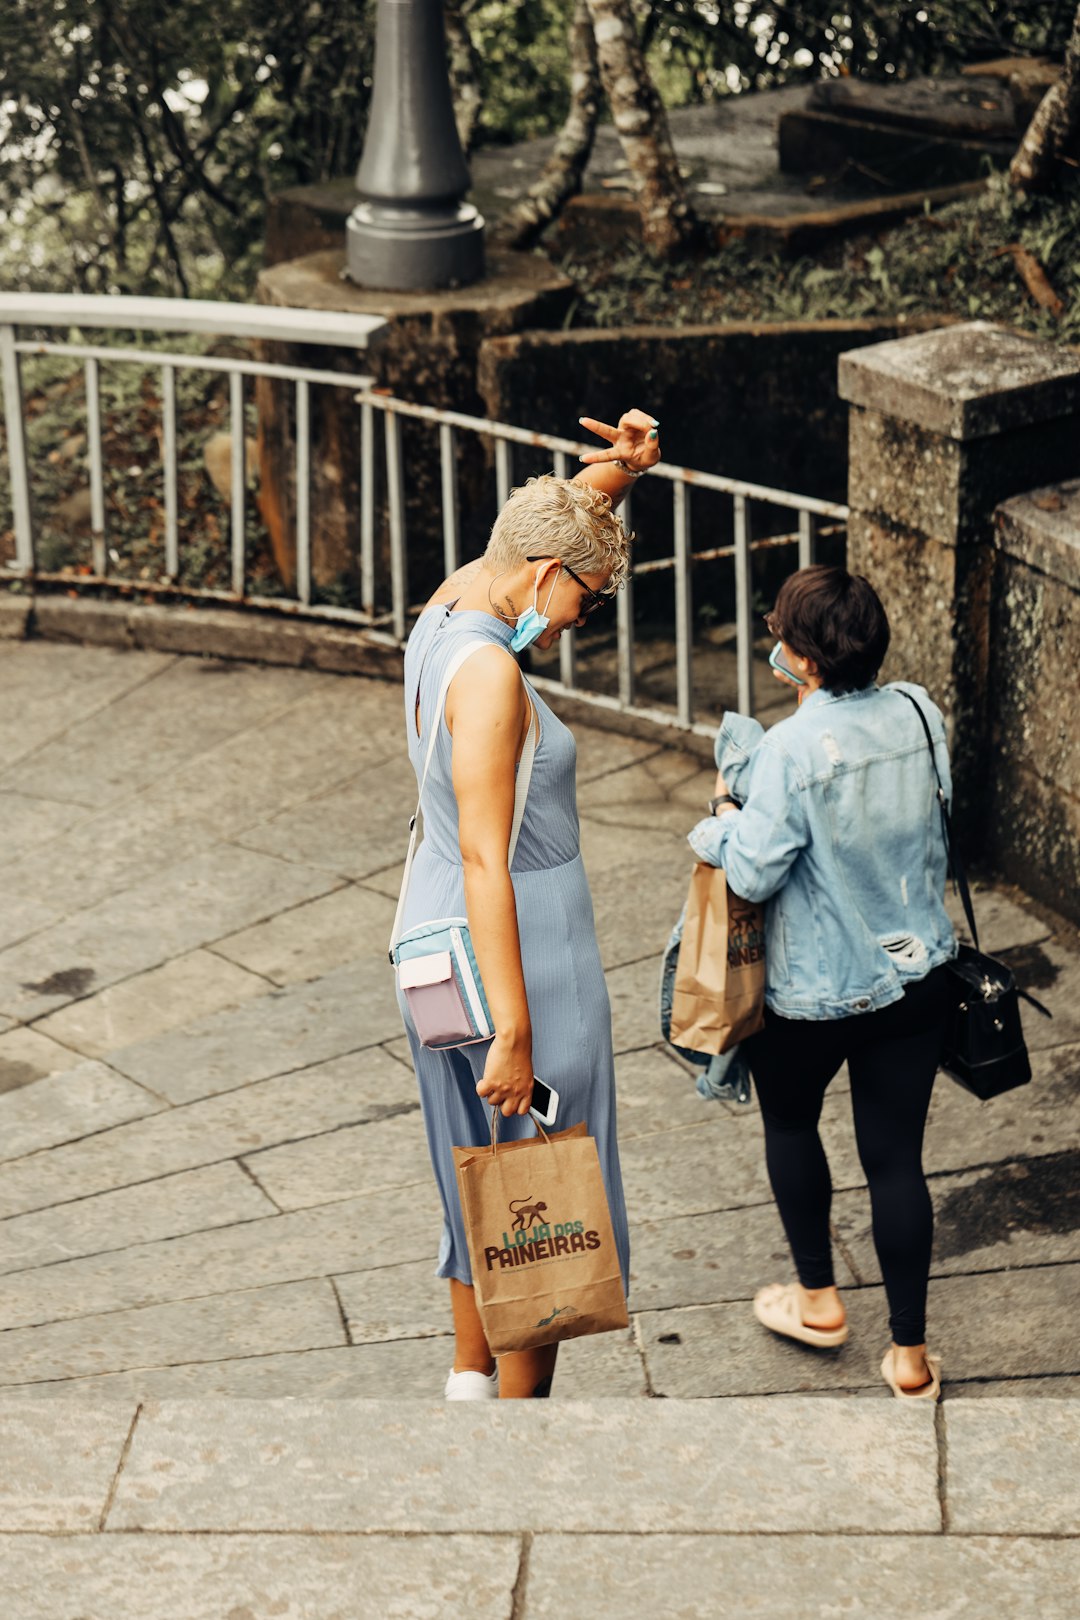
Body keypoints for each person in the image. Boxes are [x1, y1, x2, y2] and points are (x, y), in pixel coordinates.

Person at [397, 408, 660, 1400]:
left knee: (477, 1162)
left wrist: (617, 475)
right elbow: (484, 857)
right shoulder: (497, 679)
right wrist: (516, 1027)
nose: (579, 619)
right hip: (519, 955)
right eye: (585, 604)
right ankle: (517, 1432)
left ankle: (468, 1380)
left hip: (431, 953)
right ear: (545, 577)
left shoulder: (452, 606)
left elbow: (554, 529)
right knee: (540, 1201)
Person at [686, 565, 956, 1400]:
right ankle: (910, 1360)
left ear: (801, 660)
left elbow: (757, 874)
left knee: (793, 1129)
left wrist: (718, 824)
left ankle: (818, 1299)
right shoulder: (919, 709)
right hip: (917, 976)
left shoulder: (790, 749)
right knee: (897, 1162)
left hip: (813, 993)